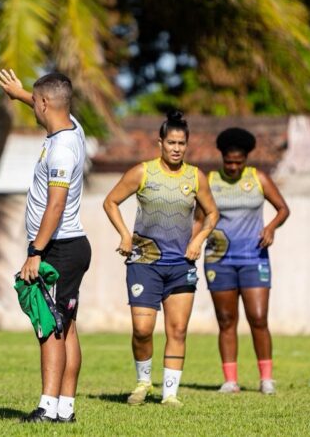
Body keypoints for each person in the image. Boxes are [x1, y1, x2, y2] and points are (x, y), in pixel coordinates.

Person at [103, 111, 219, 407]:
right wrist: (125, 235)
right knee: (142, 329)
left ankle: (170, 393)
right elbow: (111, 201)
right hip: (144, 262)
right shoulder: (143, 172)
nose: (177, 148)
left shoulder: (195, 177)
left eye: (182, 143)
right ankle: (143, 382)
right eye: (171, 142)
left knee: (177, 329)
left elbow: (213, 213)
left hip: (181, 265)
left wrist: (198, 239)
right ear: (161, 143)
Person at [0, 69, 91, 423]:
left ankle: (48, 408)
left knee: (49, 327)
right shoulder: (72, 129)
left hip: (58, 248)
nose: (33, 108)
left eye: (35, 103)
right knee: (66, 326)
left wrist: (35, 252)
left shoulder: (63, 150)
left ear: (46, 104)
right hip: (70, 245)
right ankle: (65, 409)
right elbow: (50, 104)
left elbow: (56, 205)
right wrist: (20, 93)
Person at [195, 128, 290, 395]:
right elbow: (198, 219)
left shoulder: (258, 178)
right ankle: (230, 380)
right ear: (222, 157)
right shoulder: (210, 181)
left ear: (247, 159)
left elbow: (283, 209)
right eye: (229, 161)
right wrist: (192, 245)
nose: (234, 167)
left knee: (258, 318)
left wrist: (270, 228)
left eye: (239, 162)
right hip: (218, 259)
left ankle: (266, 379)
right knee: (226, 320)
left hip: (253, 258)